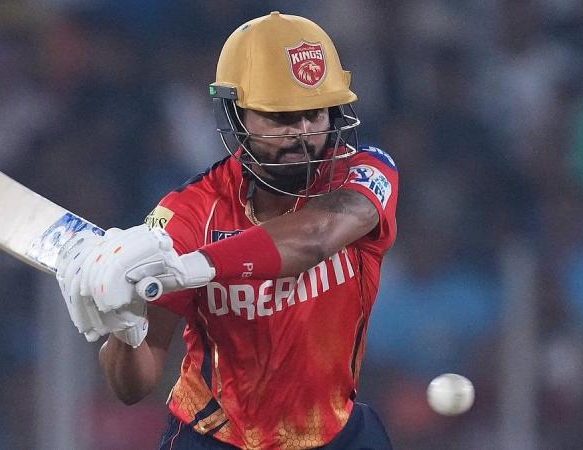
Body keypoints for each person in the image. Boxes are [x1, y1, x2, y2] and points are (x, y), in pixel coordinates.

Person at [55, 12, 398, 450]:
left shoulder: (365, 171)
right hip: (216, 437)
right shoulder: (188, 213)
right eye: (280, 117)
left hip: (338, 432)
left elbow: (317, 236)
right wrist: (124, 324)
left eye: (316, 114)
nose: (303, 134)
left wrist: (195, 266)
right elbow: (132, 387)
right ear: (236, 115)